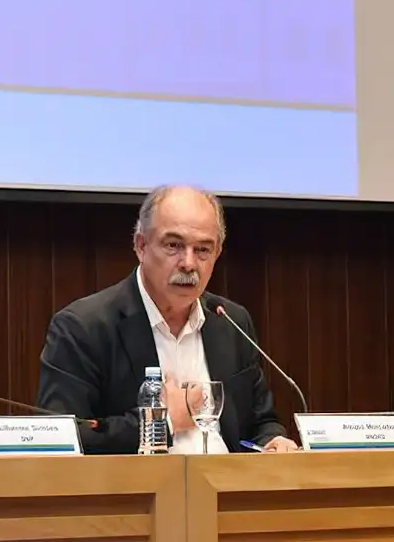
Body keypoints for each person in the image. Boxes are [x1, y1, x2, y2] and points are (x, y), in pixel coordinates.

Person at [37, 185, 300, 455]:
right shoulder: (84, 328)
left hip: (227, 480)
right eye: (173, 246)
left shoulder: (230, 321)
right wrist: (164, 422)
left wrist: (273, 440)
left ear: (217, 253)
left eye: (202, 249)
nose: (188, 263)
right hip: (142, 482)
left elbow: (261, 421)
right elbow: (60, 438)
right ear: (141, 246)